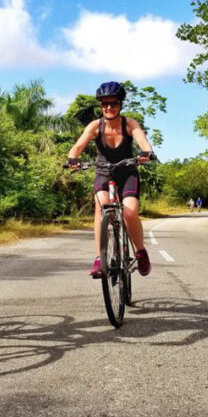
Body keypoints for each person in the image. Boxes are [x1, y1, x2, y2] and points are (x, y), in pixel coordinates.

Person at [66, 81, 156, 277]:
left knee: (130, 213)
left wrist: (147, 153)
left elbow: (143, 141)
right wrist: (73, 159)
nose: (108, 107)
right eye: (104, 104)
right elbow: (77, 146)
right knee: (101, 206)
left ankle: (140, 252)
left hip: (127, 173)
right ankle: (100, 258)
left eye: (113, 103)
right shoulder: (94, 126)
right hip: (103, 172)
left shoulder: (129, 124)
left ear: (121, 104)